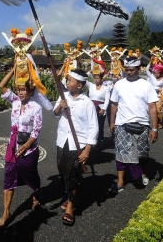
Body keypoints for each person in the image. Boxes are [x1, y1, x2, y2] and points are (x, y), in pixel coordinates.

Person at [0, 66, 45, 229]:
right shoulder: (15, 101)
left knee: (31, 176)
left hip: (29, 149)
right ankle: (6, 211)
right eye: (19, 89)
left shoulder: (36, 107)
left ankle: (36, 193)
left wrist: (26, 145)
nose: (21, 92)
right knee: (8, 177)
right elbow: (2, 86)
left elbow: (36, 129)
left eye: (24, 90)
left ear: (31, 92)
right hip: (13, 147)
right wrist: (14, 69)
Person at [54, 69, 98, 226]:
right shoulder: (63, 95)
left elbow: (94, 127)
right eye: (67, 80)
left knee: (72, 174)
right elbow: (55, 113)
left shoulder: (87, 103)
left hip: (77, 143)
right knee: (63, 172)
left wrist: (87, 149)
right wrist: (60, 106)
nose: (67, 82)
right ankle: (71, 197)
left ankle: (70, 207)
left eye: (70, 80)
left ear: (79, 85)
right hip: (62, 141)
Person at [109, 56, 159, 193]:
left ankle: (141, 173)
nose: (129, 72)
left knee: (141, 153)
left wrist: (154, 128)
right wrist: (112, 121)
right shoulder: (119, 84)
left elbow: (152, 107)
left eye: (132, 70)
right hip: (122, 124)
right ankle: (121, 182)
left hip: (141, 125)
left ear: (139, 69)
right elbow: (114, 104)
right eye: (127, 70)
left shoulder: (146, 85)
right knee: (121, 153)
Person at [87, 72, 111, 148]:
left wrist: (104, 109)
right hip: (91, 108)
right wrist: (90, 71)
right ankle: (89, 142)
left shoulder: (105, 88)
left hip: (100, 108)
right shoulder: (91, 86)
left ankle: (99, 142)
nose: (96, 80)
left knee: (99, 125)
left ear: (101, 79)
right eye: (95, 78)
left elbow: (107, 100)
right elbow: (84, 78)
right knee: (90, 125)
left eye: (98, 78)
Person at [145, 62, 163, 128]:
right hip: (152, 97)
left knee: (158, 110)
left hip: (159, 97)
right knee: (153, 111)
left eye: (157, 73)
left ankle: (160, 122)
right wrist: (150, 62)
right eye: (155, 72)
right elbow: (147, 70)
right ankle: (155, 123)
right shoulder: (152, 77)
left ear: (160, 73)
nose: (156, 74)